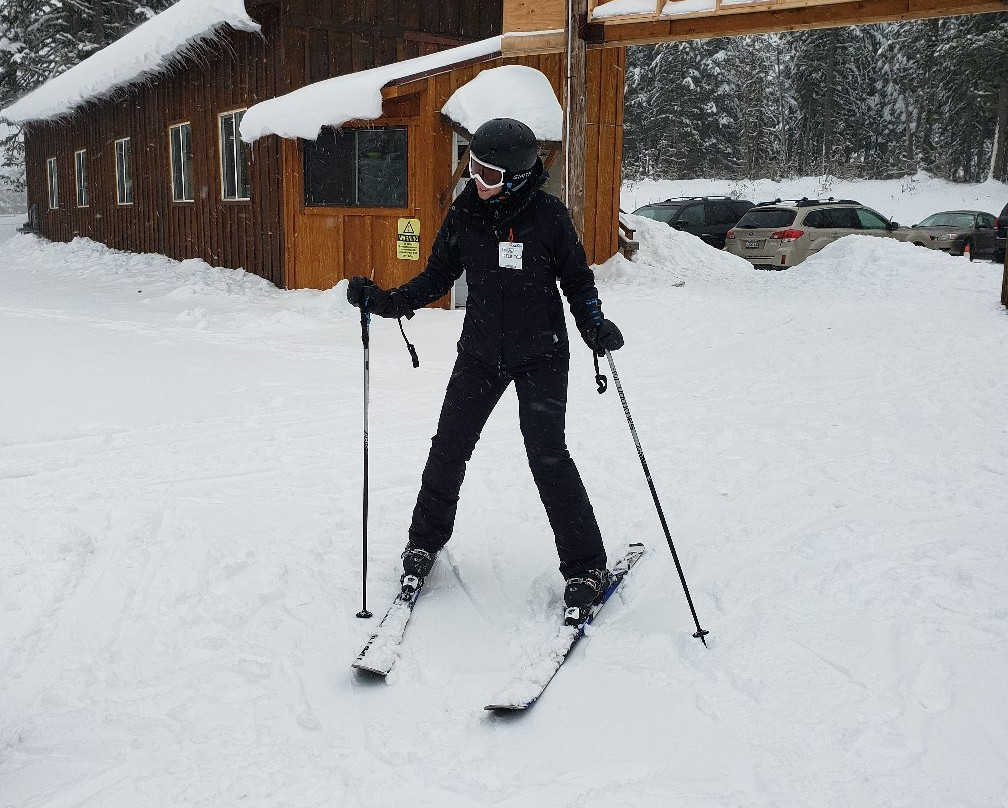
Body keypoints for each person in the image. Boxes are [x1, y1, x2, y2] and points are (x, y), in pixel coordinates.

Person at [346, 117, 624, 619]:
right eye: (472, 167)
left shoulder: (548, 217)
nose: (477, 180)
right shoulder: (465, 213)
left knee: (547, 456)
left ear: (516, 176)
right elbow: (438, 276)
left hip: (541, 354)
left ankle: (586, 566)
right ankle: (423, 542)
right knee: (448, 448)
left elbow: (578, 281)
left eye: (489, 174)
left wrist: (594, 325)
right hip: (480, 353)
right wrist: (389, 302)